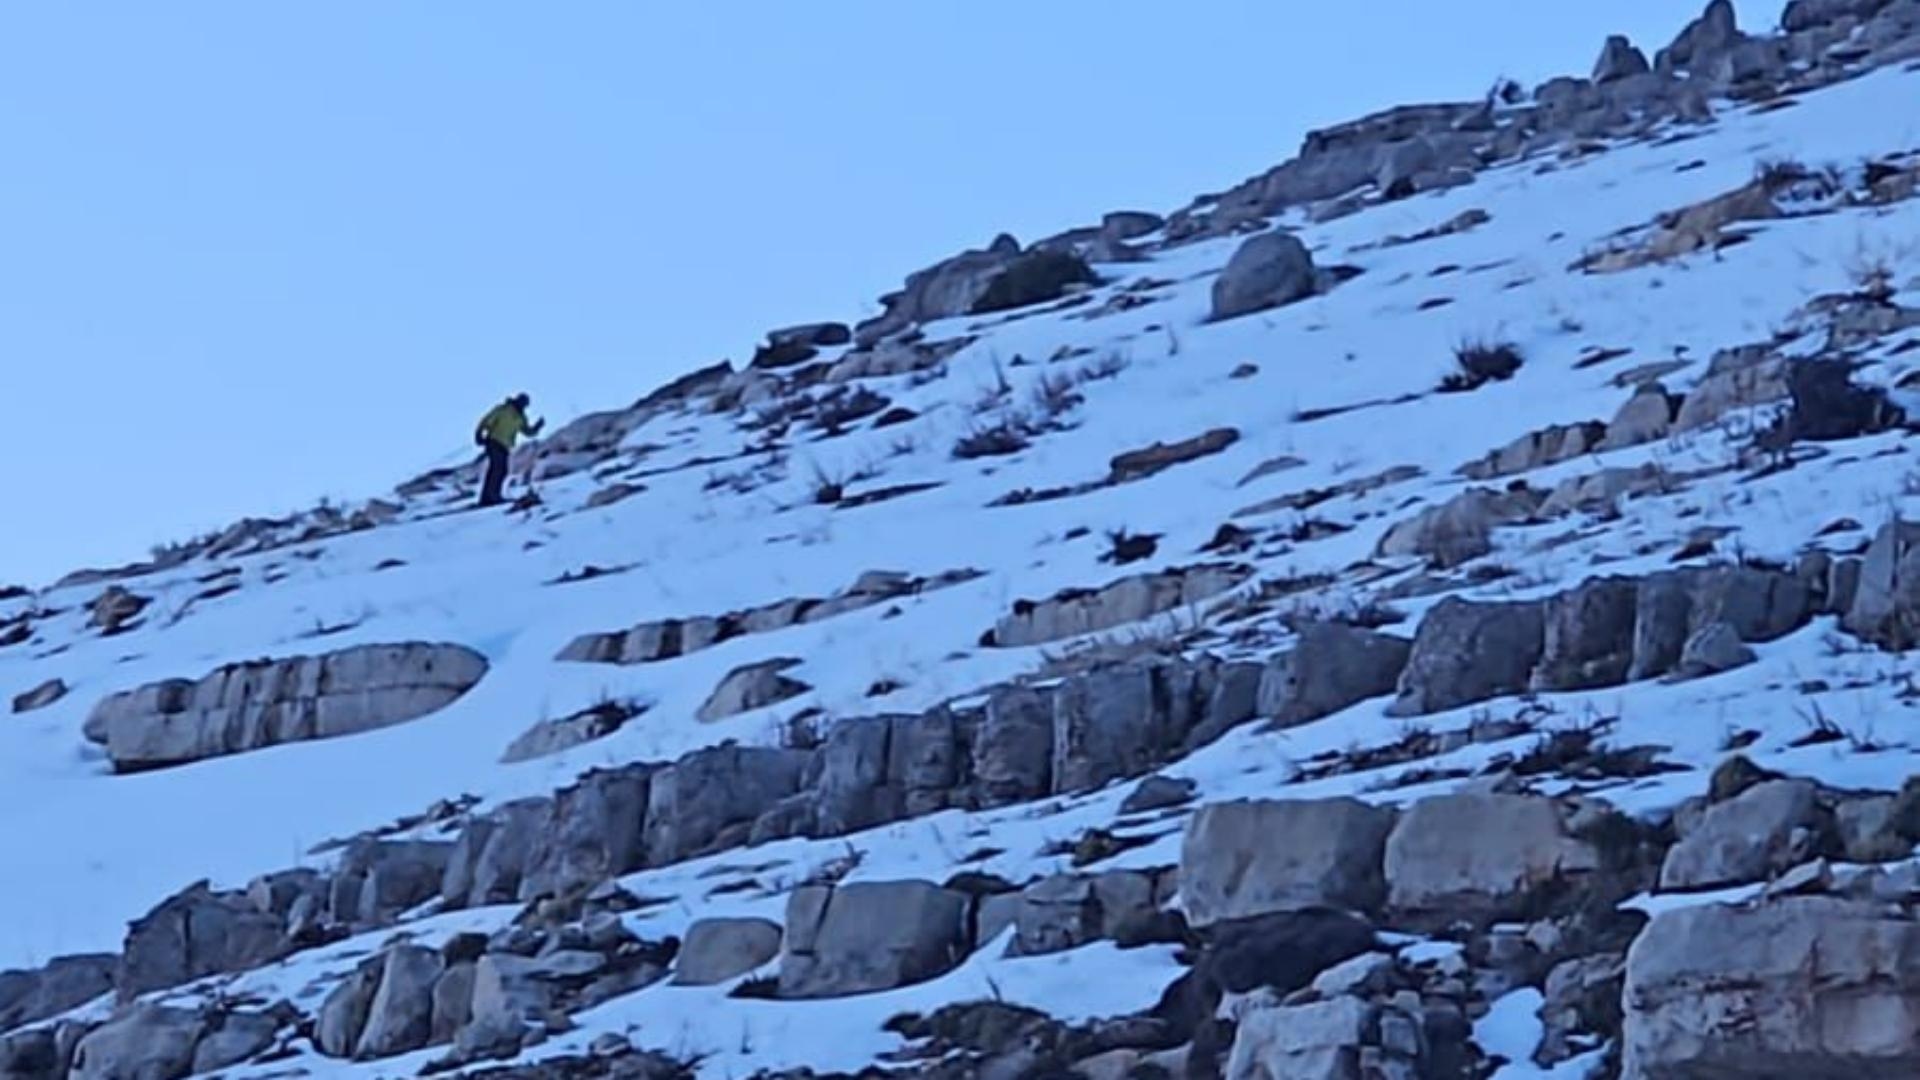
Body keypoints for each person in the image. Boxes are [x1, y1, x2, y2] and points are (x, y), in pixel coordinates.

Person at [474, 393, 545, 507]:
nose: (523, 407)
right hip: (494, 441)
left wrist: (537, 427)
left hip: (505, 446)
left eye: (525, 405)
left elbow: (527, 431)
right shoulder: (503, 410)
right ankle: (491, 496)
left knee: (501, 470)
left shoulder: (521, 417)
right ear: (517, 401)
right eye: (523, 403)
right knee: (497, 468)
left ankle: (489, 496)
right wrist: (479, 434)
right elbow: (486, 421)